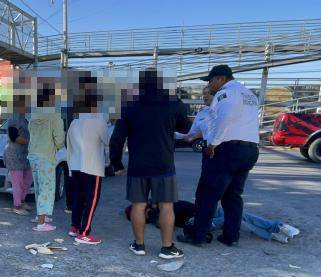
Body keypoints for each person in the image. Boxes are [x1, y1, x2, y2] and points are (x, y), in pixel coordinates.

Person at [109, 68, 191, 259]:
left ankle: (139, 245)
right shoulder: (173, 102)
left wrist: (117, 163)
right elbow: (186, 127)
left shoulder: (129, 105)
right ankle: (167, 248)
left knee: (138, 205)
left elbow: (117, 139)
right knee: (166, 206)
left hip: (138, 165)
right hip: (164, 165)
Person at [177, 64, 260, 247]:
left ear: (220, 79)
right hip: (250, 150)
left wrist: (214, 143)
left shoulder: (226, 93)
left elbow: (226, 117)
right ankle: (231, 236)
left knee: (207, 194)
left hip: (227, 149)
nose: (210, 86)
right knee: (233, 196)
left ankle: (197, 235)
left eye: (210, 81)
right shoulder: (249, 94)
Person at [125, 201, 301, 243]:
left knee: (239, 212)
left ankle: (275, 229)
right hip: (197, 220)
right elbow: (163, 224)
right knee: (234, 217)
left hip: (206, 210)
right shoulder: (157, 218)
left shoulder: (161, 202)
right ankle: (275, 230)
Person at [66, 76, 109, 245]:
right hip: (93, 167)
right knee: (91, 200)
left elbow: (68, 145)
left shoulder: (74, 122)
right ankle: (84, 233)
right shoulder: (98, 121)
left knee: (78, 197)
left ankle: (74, 227)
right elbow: (108, 141)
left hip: (76, 165)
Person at [28, 83, 65, 232]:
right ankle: (42, 223)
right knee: (47, 188)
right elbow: (60, 139)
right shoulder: (54, 115)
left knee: (38, 187)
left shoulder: (33, 115)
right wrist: (60, 145)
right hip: (46, 156)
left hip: (33, 155)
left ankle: (40, 216)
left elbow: (31, 133)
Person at [5, 94, 32, 215]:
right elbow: (13, 136)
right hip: (15, 155)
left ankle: (22, 200)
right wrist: (31, 142)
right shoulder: (14, 116)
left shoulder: (23, 117)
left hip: (25, 155)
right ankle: (17, 205)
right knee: (18, 182)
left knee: (27, 179)